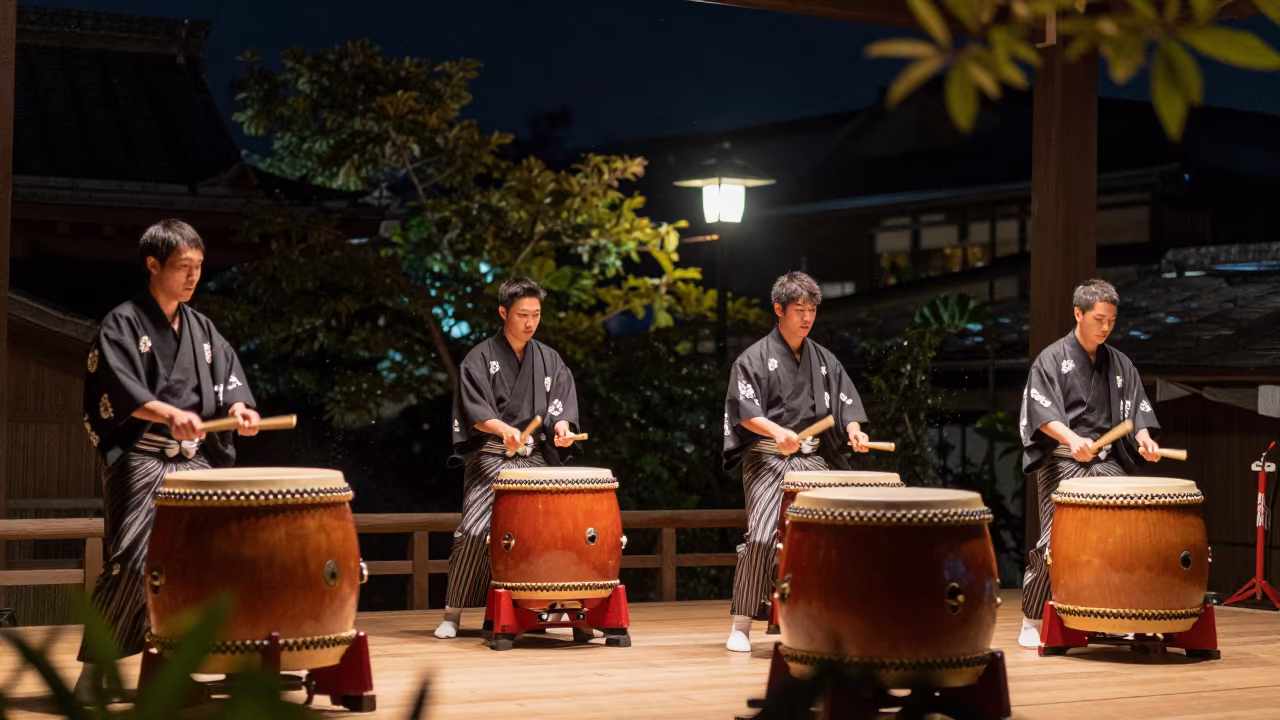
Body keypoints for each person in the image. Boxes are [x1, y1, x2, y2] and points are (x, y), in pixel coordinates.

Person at [76, 219, 260, 700]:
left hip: (193, 462)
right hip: (142, 459)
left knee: (224, 552)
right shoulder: (122, 323)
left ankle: (208, 661)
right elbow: (119, 389)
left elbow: (229, 384)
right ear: (153, 265)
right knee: (136, 563)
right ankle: (97, 671)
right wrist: (170, 414)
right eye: (183, 267)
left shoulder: (202, 328)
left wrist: (239, 409)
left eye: (199, 267)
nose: (193, 277)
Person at [722, 271, 871, 652]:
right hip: (769, 459)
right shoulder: (752, 358)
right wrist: (776, 432)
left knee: (843, 529)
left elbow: (846, 404)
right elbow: (744, 412)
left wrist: (854, 430)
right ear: (779, 309)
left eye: (812, 310)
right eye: (799, 310)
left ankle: (833, 616)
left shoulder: (824, 360)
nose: (807, 317)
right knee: (761, 535)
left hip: (813, 460)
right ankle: (741, 623)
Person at [1017, 278, 1162, 649]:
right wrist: (1072, 439)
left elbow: (1138, 411)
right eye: (1098, 319)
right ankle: (1033, 619)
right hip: (1063, 461)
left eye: (1111, 320)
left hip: (1105, 462)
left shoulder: (1120, 363)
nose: (1105, 327)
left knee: (1126, 529)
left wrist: (1145, 439)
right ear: (1078, 313)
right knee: (1058, 538)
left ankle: (1115, 614)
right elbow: (1041, 414)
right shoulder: (1050, 359)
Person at [434, 277, 581, 639]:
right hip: (493, 456)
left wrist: (562, 428)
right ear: (504, 313)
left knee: (548, 529)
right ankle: (453, 613)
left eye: (536, 314)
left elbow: (560, 407)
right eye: (522, 315)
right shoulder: (479, 358)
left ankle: (537, 607)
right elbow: (475, 412)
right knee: (476, 528)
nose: (530, 322)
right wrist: (504, 430)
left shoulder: (550, 359)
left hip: (534, 460)